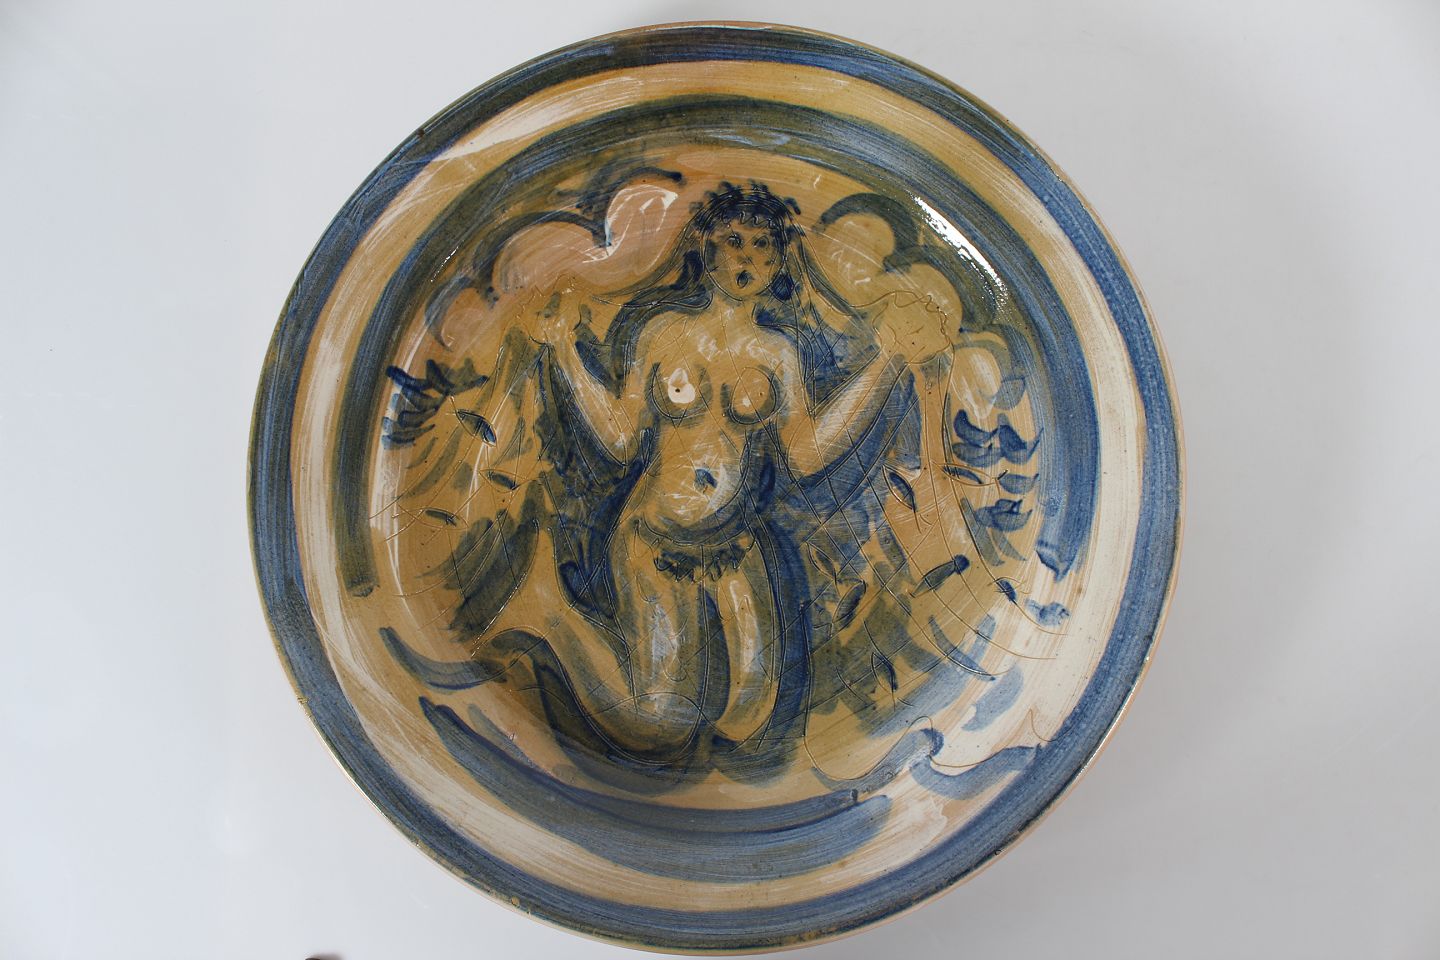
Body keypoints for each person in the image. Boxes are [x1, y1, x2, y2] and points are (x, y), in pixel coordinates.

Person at [532, 182, 948, 756]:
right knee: (659, 721)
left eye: (762, 245)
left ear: (779, 261)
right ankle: (551, 616)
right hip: (653, 538)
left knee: (749, 719)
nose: (747, 257)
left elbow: (805, 454)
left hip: (735, 540)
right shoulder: (663, 332)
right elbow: (622, 437)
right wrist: (563, 350)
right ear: (705, 249)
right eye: (733, 241)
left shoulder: (778, 352)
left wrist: (885, 362)